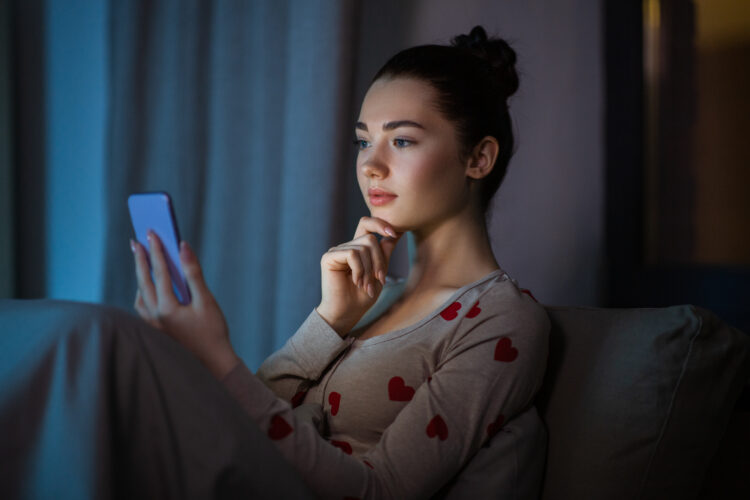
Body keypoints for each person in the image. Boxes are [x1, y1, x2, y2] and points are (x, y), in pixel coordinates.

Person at [130, 25, 550, 499]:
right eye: (363, 141)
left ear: (478, 158)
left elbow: (382, 491)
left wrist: (217, 357)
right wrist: (329, 320)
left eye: (403, 140)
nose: (371, 164)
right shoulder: (371, 294)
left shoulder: (500, 320)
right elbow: (257, 423)